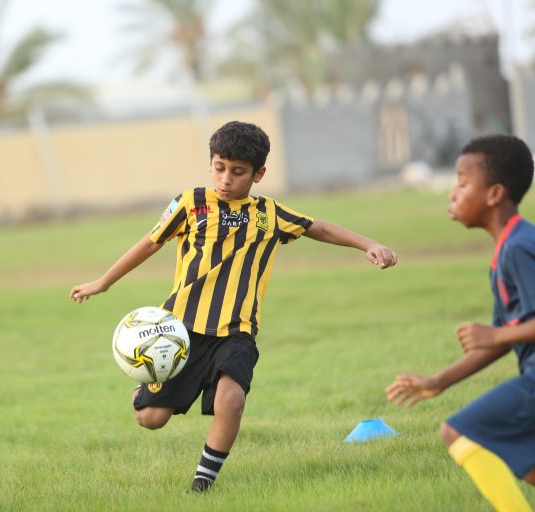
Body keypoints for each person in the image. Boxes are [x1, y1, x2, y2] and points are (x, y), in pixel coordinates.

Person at [70, 120, 398, 492]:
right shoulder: (191, 203)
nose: (226, 179)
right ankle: (142, 389)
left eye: (238, 172)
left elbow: (317, 227)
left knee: (232, 400)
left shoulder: (269, 214)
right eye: (219, 168)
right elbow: (150, 242)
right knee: (151, 418)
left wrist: (369, 244)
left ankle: (202, 484)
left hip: (237, 333)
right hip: (180, 331)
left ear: (258, 174)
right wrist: (103, 282)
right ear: (211, 163)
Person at [386, 134, 535, 511]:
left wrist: (495, 333)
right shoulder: (506, 251)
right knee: (522, 460)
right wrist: (438, 381)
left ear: (495, 194)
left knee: (462, 432)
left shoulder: (520, 247)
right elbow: (502, 340)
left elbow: (498, 336)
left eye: (463, 183)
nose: (453, 194)